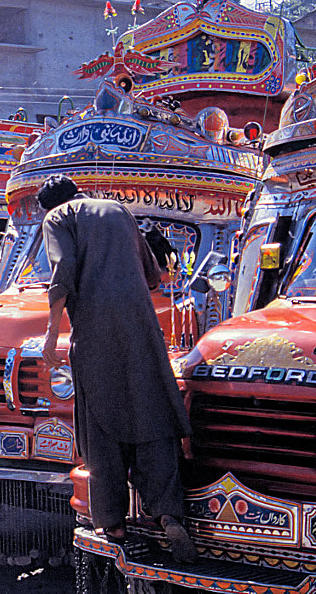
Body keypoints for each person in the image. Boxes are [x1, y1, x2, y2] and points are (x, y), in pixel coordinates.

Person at [38, 174, 196, 563]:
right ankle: (167, 513)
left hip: (95, 330)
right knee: (151, 409)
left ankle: (113, 523)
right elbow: (154, 276)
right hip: (143, 326)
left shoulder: (58, 218)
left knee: (100, 422)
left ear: (49, 205)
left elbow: (63, 273)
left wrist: (51, 334)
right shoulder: (119, 210)